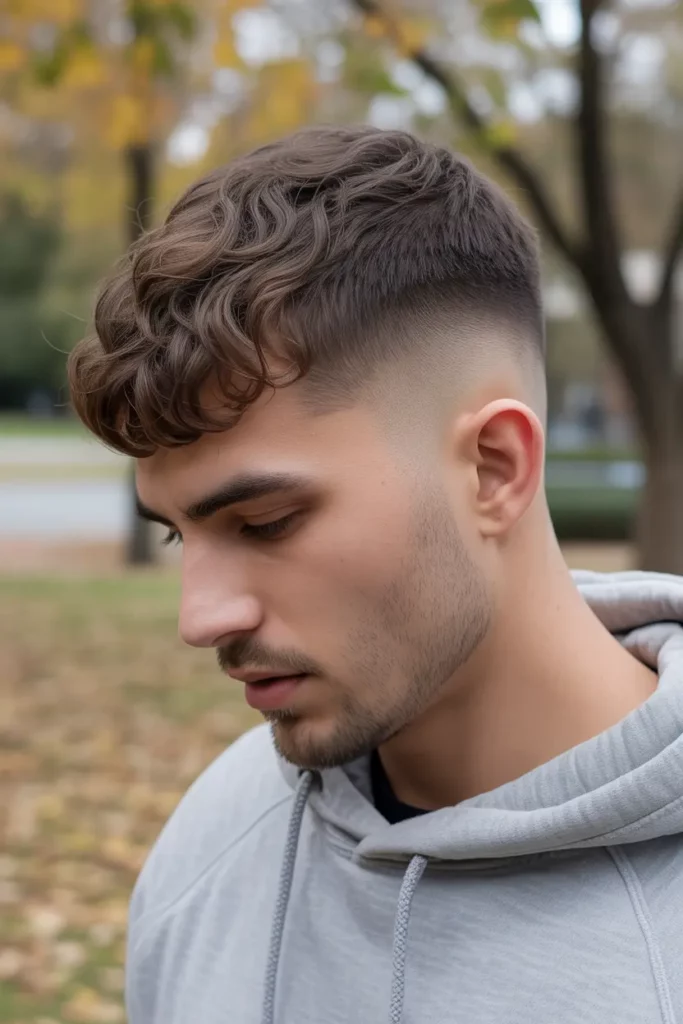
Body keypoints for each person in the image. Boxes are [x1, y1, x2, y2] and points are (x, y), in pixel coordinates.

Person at [68, 126, 683, 1024]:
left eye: (266, 521)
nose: (200, 619)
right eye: (177, 535)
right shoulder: (215, 838)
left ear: (493, 470)